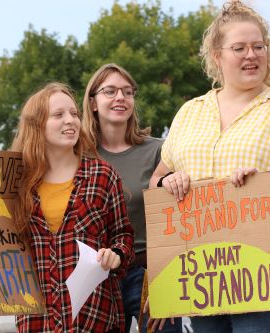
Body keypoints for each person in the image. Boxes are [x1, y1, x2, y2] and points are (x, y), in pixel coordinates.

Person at [149, 1, 270, 332]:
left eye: (258, 46)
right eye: (239, 48)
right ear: (217, 56)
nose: (251, 55)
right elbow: (157, 181)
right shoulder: (190, 112)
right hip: (202, 270)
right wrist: (168, 183)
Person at [11, 82, 134, 333]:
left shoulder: (102, 175)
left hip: (94, 317)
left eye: (74, 114)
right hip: (37, 320)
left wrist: (116, 255)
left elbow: (124, 235)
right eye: (58, 115)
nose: (71, 120)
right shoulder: (15, 184)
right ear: (37, 125)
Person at [82, 63, 182, 333]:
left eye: (127, 92)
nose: (120, 98)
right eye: (110, 91)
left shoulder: (158, 150)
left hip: (152, 271)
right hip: (98, 275)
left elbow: (176, 217)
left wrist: (167, 277)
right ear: (93, 102)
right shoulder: (78, 157)